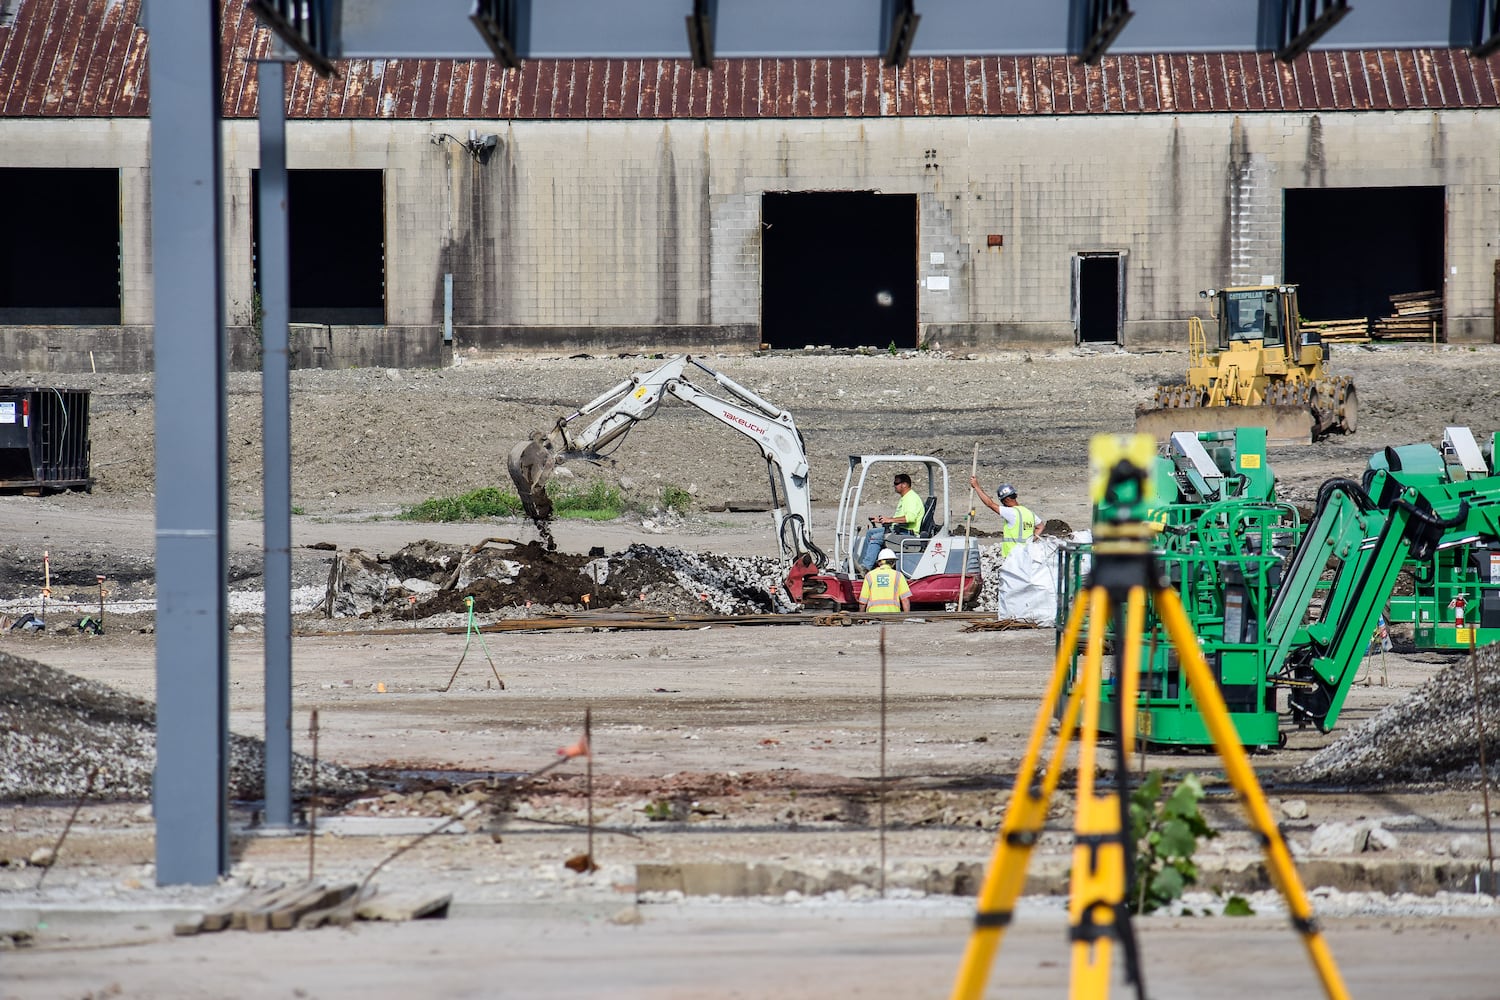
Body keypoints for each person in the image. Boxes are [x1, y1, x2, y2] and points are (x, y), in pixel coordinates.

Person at [861, 472, 925, 571]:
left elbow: (910, 518)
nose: (894, 486)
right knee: (870, 532)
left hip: (907, 533)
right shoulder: (905, 498)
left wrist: (890, 520)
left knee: (875, 538)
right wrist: (883, 520)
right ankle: (864, 564)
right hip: (901, 530)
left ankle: (866, 567)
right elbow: (900, 518)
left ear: (904, 484)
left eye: (896, 483)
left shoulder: (911, 498)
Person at [970, 478, 1039, 558]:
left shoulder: (1011, 512)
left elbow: (990, 504)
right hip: (1026, 555)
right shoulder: (1029, 513)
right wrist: (1030, 541)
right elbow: (1040, 526)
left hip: (1013, 557)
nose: (1003, 504)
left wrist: (976, 486)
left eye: (1002, 501)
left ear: (1007, 499)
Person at [858, 548, 911, 614]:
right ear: (893, 562)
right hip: (894, 615)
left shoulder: (870, 575)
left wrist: (861, 617)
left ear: (879, 562)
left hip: (873, 615)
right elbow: (905, 600)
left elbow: (863, 601)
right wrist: (906, 618)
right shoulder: (898, 575)